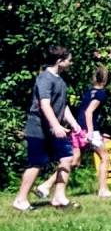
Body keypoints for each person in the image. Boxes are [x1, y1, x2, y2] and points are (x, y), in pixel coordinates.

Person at [13, 46, 83, 211]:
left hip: (53, 129)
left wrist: (75, 125)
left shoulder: (60, 80)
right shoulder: (45, 79)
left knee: (67, 158)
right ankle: (20, 200)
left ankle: (59, 198)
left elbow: (62, 106)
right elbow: (45, 105)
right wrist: (56, 125)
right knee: (36, 164)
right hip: (38, 129)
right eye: (69, 60)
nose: (71, 63)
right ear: (59, 61)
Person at [38, 65, 111, 199]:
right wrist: (90, 132)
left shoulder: (89, 92)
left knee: (74, 161)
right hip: (89, 131)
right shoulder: (101, 94)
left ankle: (46, 186)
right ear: (107, 81)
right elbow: (89, 112)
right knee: (105, 157)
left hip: (78, 129)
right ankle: (103, 189)